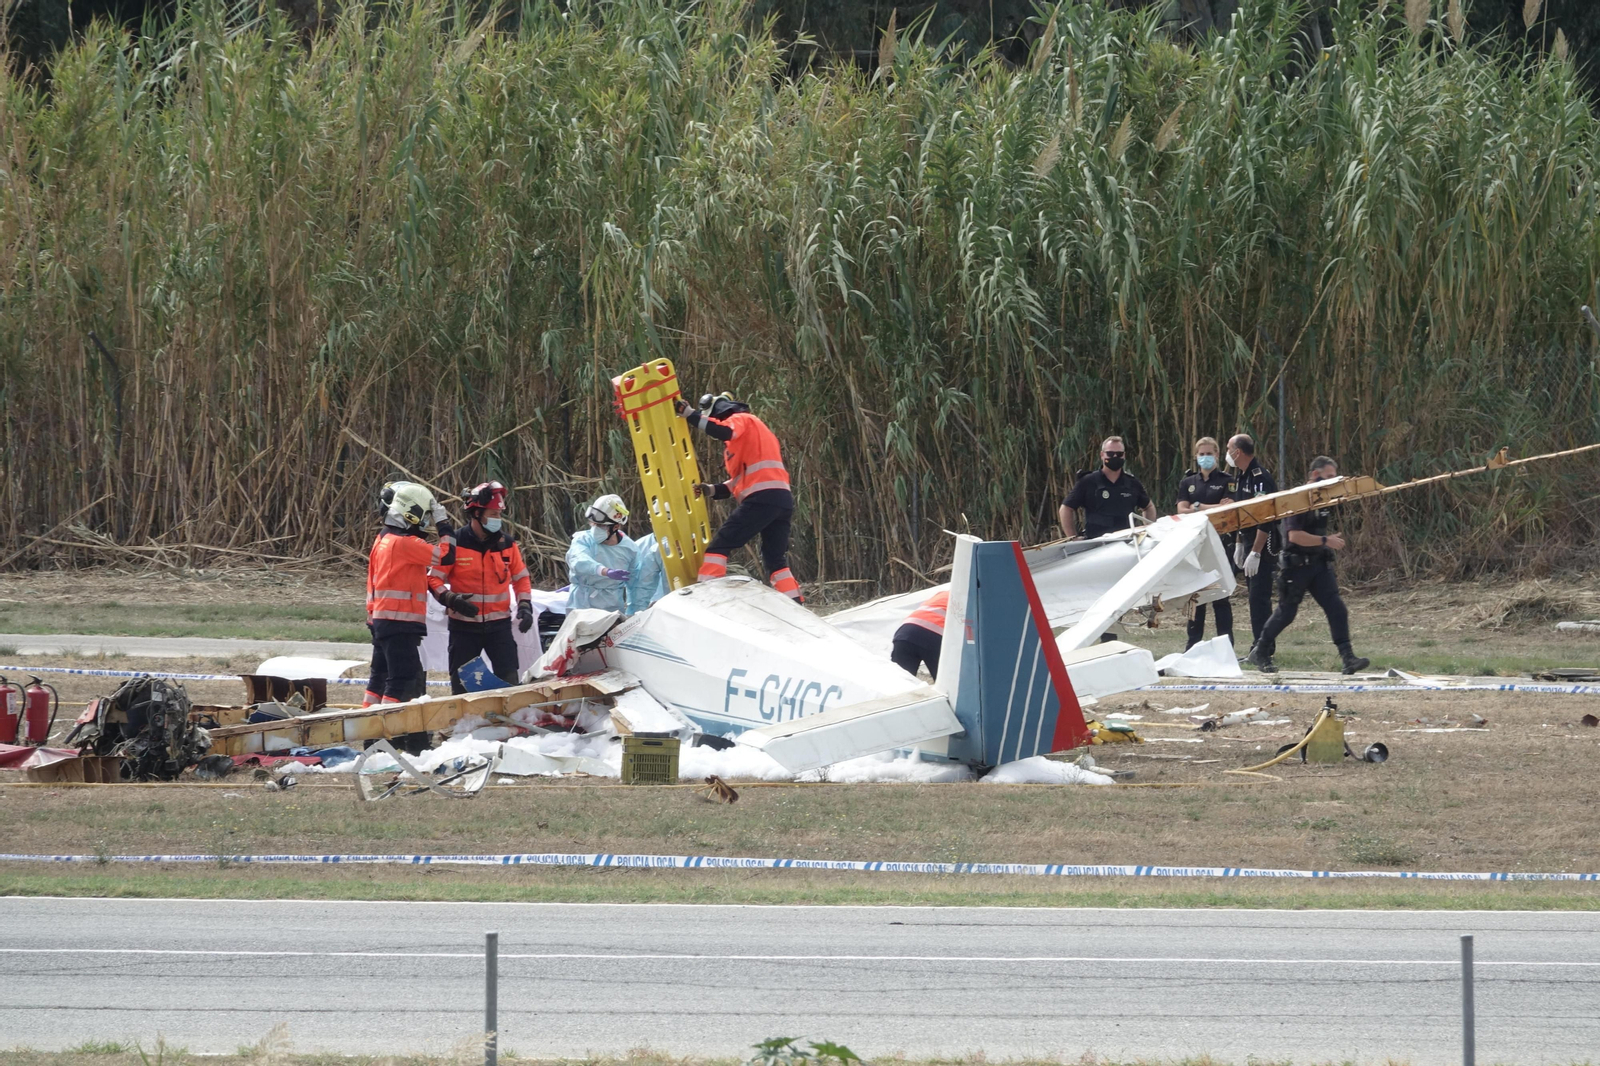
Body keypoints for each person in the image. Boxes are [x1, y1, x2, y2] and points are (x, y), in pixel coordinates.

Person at [1245, 456, 1371, 675]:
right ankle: (1260, 651)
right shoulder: (1298, 499)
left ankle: (1348, 657)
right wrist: (1326, 541)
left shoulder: (1323, 499)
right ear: (1315, 475)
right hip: (1297, 565)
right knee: (1287, 613)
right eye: (1329, 477)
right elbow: (1294, 536)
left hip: (1318, 564)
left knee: (1337, 608)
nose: (1333, 482)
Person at [676, 391, 802, 603]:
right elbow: (742, 480)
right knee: (775, 559)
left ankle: (707, 600)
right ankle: (795, 603)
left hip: (762, 498)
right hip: (780, 500)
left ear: (718, 412)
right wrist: (711, 489)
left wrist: (690, 415)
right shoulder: (756, 434)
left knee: (720, 546)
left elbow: (723, 430)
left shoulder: (740, 420)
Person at [364, 481, 472, 706]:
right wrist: (442, 522)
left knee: (378, 679)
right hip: (400, 622)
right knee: (402, 679)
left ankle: (369, 735)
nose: (425, 522)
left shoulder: (382, 540)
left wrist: (447, 597)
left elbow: (417, 579)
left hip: (382, 621)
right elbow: (447, 556)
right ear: (411, 513)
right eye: (425, 516)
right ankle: (385, 729)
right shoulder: (406, 544)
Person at [436, 481, 534, 694]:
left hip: (499, 628)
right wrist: (451, 599)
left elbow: (521, 578)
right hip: (464, 628)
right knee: (462, 686)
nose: (498, 519)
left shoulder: (507, 544)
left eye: (500, 514)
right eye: (493, 514)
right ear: (477, 513)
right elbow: (433, 580)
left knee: (509, 682)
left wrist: (525, 604)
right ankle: (462, 727)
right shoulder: (455, 543)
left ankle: (507, 725)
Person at [1175, 436, 1240, 649]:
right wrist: (1209, 507)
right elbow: (1181, 510)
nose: (1205, 458)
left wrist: (1197, 506)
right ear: (1196, 457)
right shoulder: (1188, 482)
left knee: (1221, 597)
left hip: (1220, 544)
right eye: (1201, 454)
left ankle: (1226, 645)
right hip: (1196, 546)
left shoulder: (1227, 481)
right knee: (1196, 597)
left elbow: (1226, 511)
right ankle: (1192, 645)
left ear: (1217, 455)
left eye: (1209, 454)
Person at [1226, 433, 1280, 648]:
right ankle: (1258, 645)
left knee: (1259, 599)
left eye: (1228, 448)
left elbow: (1265, 518)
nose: (1227, 453)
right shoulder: (1241, 476)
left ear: (1237, 452)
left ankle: (1264, 648)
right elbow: (1241, 515)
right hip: (1247, 540)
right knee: (1253, 598)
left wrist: (1255, 552)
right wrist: (1239, 543)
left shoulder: (1260, 478)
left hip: (1262, 544)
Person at [1059, 436, 1157, 539]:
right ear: (1102, 455)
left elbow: (1149, 507)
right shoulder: (1088, 481)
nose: (1115, 457)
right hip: (1095, 545)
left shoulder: (1132, 483)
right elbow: (1066, 509)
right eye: (1110, 454)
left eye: (1119, 454)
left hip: (1126, 544)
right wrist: (1073, 538)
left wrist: (1147, 530)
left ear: (1124, 456)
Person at [566, 494, 637, 613]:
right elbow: (578, 561)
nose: (595, 528)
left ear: (616, 526)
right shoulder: (582, 540)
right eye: (593, 524)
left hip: (612, 607)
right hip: (581, 604)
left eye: (601, 525)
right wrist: (605, 571)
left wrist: (634, 611)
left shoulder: (630, 549)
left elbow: (638, 584)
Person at [890, 590, 948, 681]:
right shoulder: (970, 598)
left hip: (905, 633)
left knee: (899, 682)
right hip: (933, 635)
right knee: (947, 685)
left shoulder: (942, 594)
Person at [629, 531, 670, 613]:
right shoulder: (642, 546)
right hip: (655, 607)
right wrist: (638, 612)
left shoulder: (698, 544)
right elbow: (642, 585)